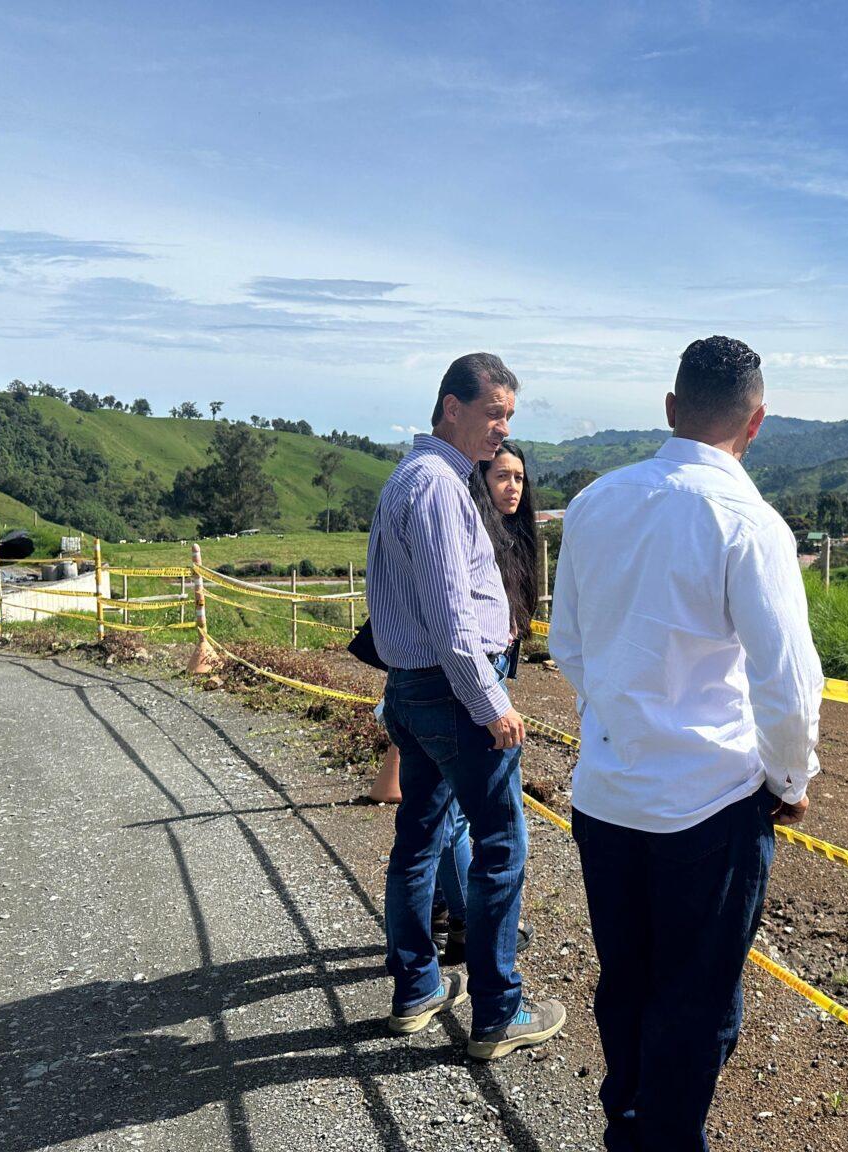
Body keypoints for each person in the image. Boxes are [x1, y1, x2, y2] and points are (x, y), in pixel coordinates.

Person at [551, 336, 824, 1150]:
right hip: (710, 805)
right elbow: (788, 682)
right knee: (696, 1005)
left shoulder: (595, 503)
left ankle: (628, 1125)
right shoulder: (750, 525)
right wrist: (790, 779)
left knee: (626, 985)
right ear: (757, 422)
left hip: (606, 795)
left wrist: (619, 717)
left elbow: (568, 643)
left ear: (670, 408)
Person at [366, 352, 565, 1059]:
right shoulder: (439, 487)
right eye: (493, 413)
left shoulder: (416, 477)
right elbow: (453, 621)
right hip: (453, 691)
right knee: (501, 844)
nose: (502, 428)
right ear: (452, 407)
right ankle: (498, 1013)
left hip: (413, 688)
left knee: (419, 837)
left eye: (508, 415)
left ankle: (417, 987)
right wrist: (491, 704)